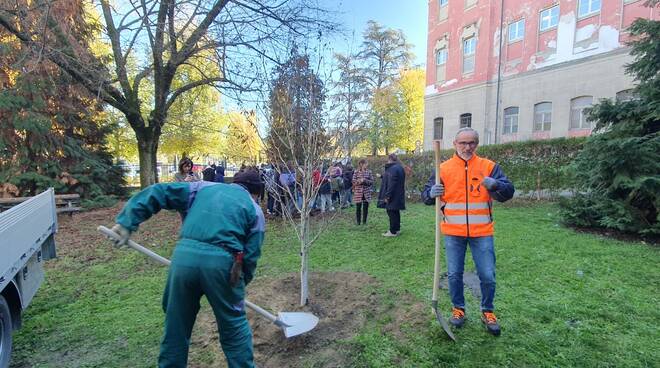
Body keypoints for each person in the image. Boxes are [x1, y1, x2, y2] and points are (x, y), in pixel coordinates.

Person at [109, 168, 266, 367]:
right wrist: (239, 286)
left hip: (183, 260)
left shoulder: (201, 188)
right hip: (224, 265)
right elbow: (250, 257)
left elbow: (159, 192)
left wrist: (126, 222)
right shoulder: (255, 210)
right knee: (234, 328)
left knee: (176, 326)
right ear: (255, 192)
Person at [421, 127, 514, 337]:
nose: (467, 147)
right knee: (454, 274)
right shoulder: (442, 168)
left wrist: (497, 184)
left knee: (487, 275)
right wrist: (430, 193)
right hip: (453, 232)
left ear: (477, 144)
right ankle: (458, 309)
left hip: (482, 232)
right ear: (455, 144)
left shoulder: (488, 167)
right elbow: (425, 196)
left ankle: (487, 311)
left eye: (472, 142)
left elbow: (508, 191)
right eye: (463, 143)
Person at [377, 153, 406, 237]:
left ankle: (392, 231)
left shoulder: (392, 169)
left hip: (393, 195)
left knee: (391, 212)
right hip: (398, 194)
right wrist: (382, 176)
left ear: (389, 159)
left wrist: (387, 196)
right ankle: (397, 230)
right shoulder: (399, 168)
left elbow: (392, 183)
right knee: (395, 211)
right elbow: (392, 179)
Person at [352, 159, 374, 225]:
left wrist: (364, 180)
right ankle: (358, 222)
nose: (367, 165)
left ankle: (364, 222)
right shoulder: (356, 172)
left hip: (366, 192)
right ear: (361, 164)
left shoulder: (369, 172)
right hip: (358, 193)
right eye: (366, 163)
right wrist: (359, 181)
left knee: (365, 207)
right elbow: (353, 181)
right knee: (358, 207)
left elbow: (372, 181)